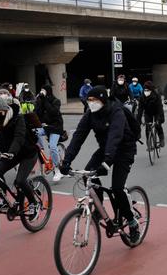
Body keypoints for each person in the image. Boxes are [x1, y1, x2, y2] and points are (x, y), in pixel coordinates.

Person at [60, 86, 140, 243]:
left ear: (103, 100)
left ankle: (132, 222)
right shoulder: (90, 114)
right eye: (89, 100)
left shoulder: (116, 111)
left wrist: (107, 162)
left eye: (94, 100)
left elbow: (115, 135)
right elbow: (78, 137)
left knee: (117, 188)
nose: (91, 103)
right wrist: (67, 160)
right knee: (87, 174)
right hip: (105, 150)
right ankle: (100, 206)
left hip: (124, 150)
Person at [35, 85, 64, 182]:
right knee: (34, 132)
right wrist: (39, 102)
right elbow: (36, 114)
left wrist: (45, 100)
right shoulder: (41, 101)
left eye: (43, 90)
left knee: (52, 146)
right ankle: (41, 149)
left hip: (55, 127)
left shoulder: (56, 101)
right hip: (45, 127)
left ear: (48, 91)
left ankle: (57, 169)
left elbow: (53, 112)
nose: (42, 91)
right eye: (41, 90)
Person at [137, 81, 165, 147]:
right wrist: (139, 120)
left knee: (158, 125)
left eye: (148, 90)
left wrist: (159, 119)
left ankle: (161, 139)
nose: (146, 91)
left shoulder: (156, 95)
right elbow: (140, 109)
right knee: (148, 127)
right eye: (145, 90)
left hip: (156, 112)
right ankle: (148, 142)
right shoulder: (142, 97)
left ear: (151, 90)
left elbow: (160, 108)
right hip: (148, 112)